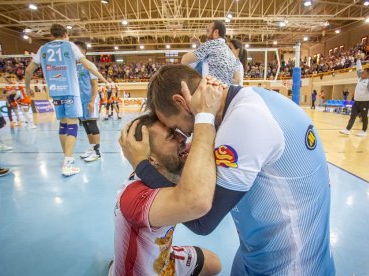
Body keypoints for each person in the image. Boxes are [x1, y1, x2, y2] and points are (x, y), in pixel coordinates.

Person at [123, 65, 335, 275]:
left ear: (181, 102)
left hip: (291, 264)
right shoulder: (246, 100)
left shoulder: (244, 121)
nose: (185, 135)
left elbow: (201, 221)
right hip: (259, 248)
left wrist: (142, 165)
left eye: (177, 126)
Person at [112, 78, 224, 275]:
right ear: (150, 159)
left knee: (214, 264)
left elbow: (205, 147)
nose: (183, 138)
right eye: (172, 136)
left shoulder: (164, 165)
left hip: (165, 256)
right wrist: (205, 116)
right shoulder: (134, 198)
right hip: (144, 271)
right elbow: (195, 203)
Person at [24, 24, 107, 176]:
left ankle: (69, 157)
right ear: (65, 33)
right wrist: (103, 78)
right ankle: (68, 162)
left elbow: (29, 70)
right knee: (73, 124)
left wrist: (27, 86)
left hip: (55, 92)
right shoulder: (69, 46)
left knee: (63, 124)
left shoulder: (43, 48)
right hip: (71, 93)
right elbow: (86, 63)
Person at [181, 21, 237, 86]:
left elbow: (184, 60)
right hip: (226, 92)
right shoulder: (230, 53)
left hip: (211, 90)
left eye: (208, 31)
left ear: (215, 32)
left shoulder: (211, 44)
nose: (206, 34)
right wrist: (200, 45)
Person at [74, 41, 102, 162]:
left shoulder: (90, 65)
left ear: (83, 51)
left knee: (92, 124)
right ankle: (91, 148)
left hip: (90, 99)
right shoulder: (75, 66)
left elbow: (95, 85)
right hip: (80, 100)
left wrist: (92, 101)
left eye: (76, 50)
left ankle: (97, 152)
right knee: (86, 125)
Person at [340, 55, 369, 137]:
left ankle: (364, 131)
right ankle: (347, 129)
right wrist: (358, 59)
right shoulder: (360, 77)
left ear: (368, 75)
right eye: (362, 72)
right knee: (352, 115)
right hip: (356, 102)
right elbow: (359, 68)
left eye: (364, 73)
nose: (362, 73)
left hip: (365, 102)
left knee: (364, 117)